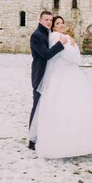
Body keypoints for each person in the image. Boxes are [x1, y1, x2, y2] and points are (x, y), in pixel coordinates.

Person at [29, 16, 92, 158]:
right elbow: (65, 56)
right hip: (60, 75)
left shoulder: (64, 37)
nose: (60, 25)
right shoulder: (55, 37)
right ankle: (43, 139)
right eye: (57, 23)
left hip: (71, 75)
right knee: (58, 106)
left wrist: (72, 44)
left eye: (61, 23)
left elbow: (76, 58)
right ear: (52, 27)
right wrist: (71, 45)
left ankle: (79, 138)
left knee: (76, 106)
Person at [28, 11, 67, 150]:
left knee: (46, 107)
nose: (49, 22)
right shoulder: (36, 36)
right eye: (46, 20)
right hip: (40, 75)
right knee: (37, 106)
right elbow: (45, 54)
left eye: (50, 20)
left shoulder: (48, 34)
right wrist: (61, 44)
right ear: (40, 20)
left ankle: (43, 135)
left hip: (50, 76)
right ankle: (32, 140)